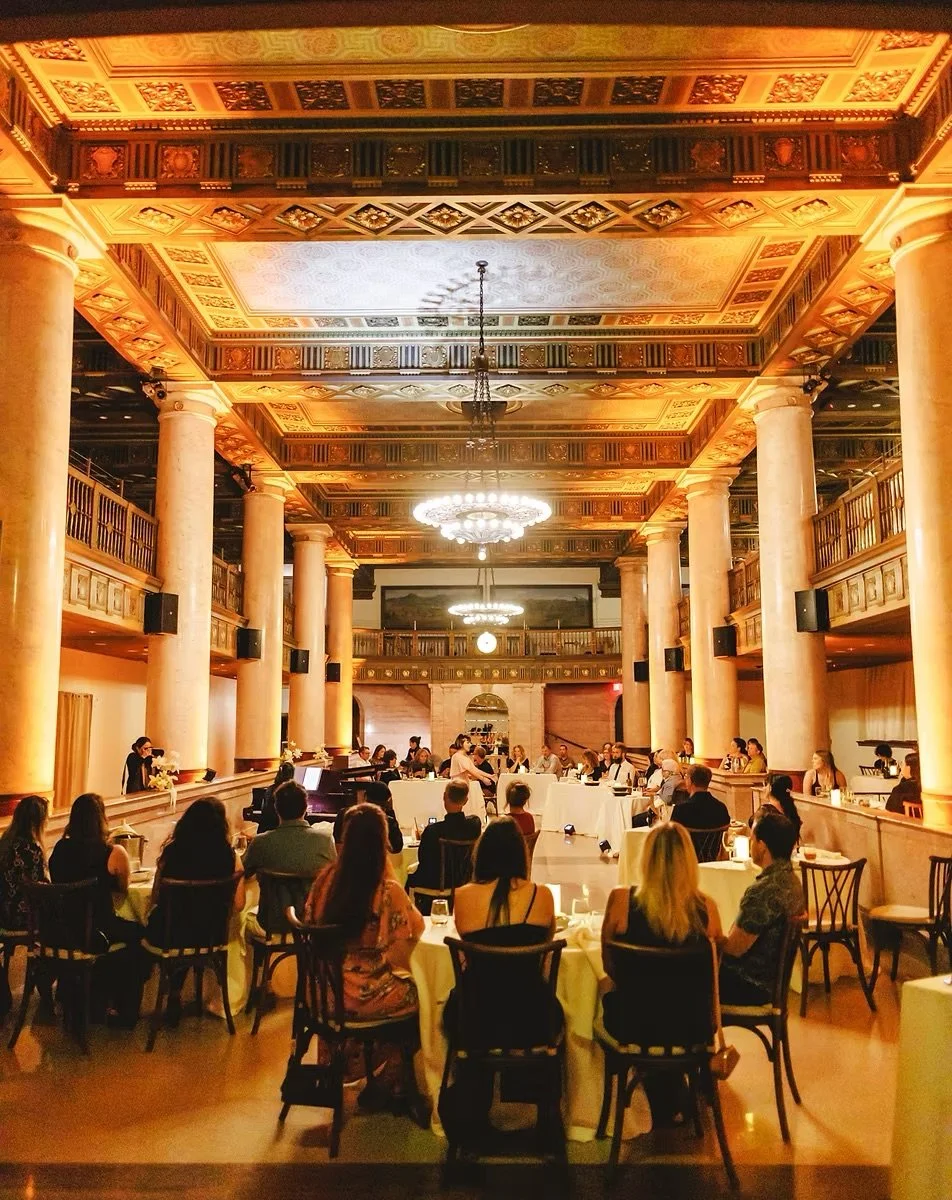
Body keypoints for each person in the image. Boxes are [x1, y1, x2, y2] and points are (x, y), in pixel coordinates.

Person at [601, 823, 723, 1128]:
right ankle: (673, 1085)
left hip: (635, 1024)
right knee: (671, 1005)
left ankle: (654, 1088)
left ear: (646, 858)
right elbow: (712, 969)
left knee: (606, 999)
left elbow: (610, 965)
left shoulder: (621, 901)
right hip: (691, 1026)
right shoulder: (707, 907)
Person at [305, 803, 423, 1022]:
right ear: (382, 843)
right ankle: (387, 1055)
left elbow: (310, 919)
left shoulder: (324, 880)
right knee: (423, 993)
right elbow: (416, 928)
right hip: (367, 996)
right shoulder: (386, 890)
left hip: (324, 991)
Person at [49, 793, 145, 1025]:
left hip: (60, 931)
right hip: (95, 932)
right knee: (141, 935)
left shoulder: (59, 850)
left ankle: (80, 992)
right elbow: (123, 890)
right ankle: (124, 1009)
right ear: (102, 819)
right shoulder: (112, 853)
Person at [718, 811, 805, 1006]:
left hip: (749, 983)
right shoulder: (792, 882)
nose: (750, 843)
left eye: (752, 838)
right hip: (771, 980)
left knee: (683, 969)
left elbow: (734, 948)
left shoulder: (764, 891)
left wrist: (710, 937)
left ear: (762, 846)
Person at [244, 781, 336, 933]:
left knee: (244, 917)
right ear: (306, 808)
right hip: (312, 919)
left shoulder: (260, 842)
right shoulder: (324, 840)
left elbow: (243, 872)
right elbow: (333, 878)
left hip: (272, 921)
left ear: (276, 808)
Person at [453, 817, 555, 944]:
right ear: (521, 854)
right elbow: (547, 945)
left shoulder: (462, 896)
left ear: (482, 854)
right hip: (526, 964)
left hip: (483, 964)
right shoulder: (542, 895)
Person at [0, 794, 49, 1017]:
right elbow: (42, 889)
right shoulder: (33, 849)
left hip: (3, 915)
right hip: (26, 918)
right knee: (59, 929)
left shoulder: (4, 844)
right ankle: (46, 991)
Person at [408, 780, 481, 898]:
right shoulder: (474, 825)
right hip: (465, 881)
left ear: (444, 797)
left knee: (410, 877)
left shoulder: (432, 831)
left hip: (437, 883)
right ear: (466, 801)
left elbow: (424, 860)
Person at [335, 780, 404, 853]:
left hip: (346, 862)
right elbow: (397, 848)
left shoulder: (344, 814)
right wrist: (390, 811)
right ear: (387, 803)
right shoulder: (387, 821)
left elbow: (338, 844)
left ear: (365, 796)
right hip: (374, 863)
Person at [670, 764, 731, 830]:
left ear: (690, 781)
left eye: (686, 777)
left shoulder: (681, 810)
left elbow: (672, 837)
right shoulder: (721, 808)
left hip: (689, 840)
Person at [754, 774, 802, 841]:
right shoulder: (790, 809)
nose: (763, 789)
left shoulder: (765, 811)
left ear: (770, 788)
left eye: (765, 785)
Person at [257, 761, 296, 833]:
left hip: (267, 828)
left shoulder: (269, 789)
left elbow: (264, 810)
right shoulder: (291, 791)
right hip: (283, 829)